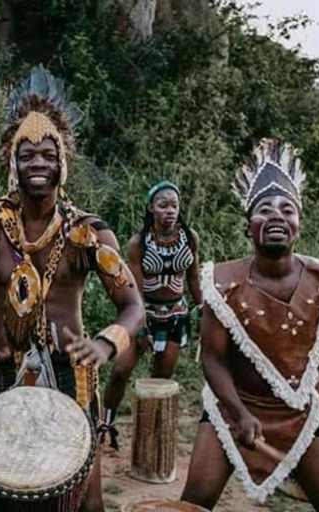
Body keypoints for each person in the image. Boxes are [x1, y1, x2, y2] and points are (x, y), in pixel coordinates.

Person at [0, 66, 144, 512]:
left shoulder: (87, 233)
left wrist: (105, 344)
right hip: (2, 372)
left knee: (82, 501)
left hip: (71, 376)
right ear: (12, 161)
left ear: (62, 162)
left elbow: (133, 306)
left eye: (48, 154)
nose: (37, 163)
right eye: (27, 154)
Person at [180, 139, 319, 511]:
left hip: (299, 411)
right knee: (194, 504)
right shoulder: (222, 283)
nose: (277, 216)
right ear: (249, 226)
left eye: (287, 209)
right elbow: (213, 359)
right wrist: (239, 412)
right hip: (233, 407)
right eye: (264, 209)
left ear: (299, 224)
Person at [100, 181, 202, 448]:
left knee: (160, 382)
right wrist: (142, 328)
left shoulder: (189, 237)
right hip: (144, 314)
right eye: (163, 205)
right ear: (151, 208)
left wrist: (203, 309)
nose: (170, 211)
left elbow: (193, 278)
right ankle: (104, 424)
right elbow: (134, 290)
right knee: (120, 370)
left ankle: (149, 437)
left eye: (174, 205)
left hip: (175, 315)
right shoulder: (139, 243)